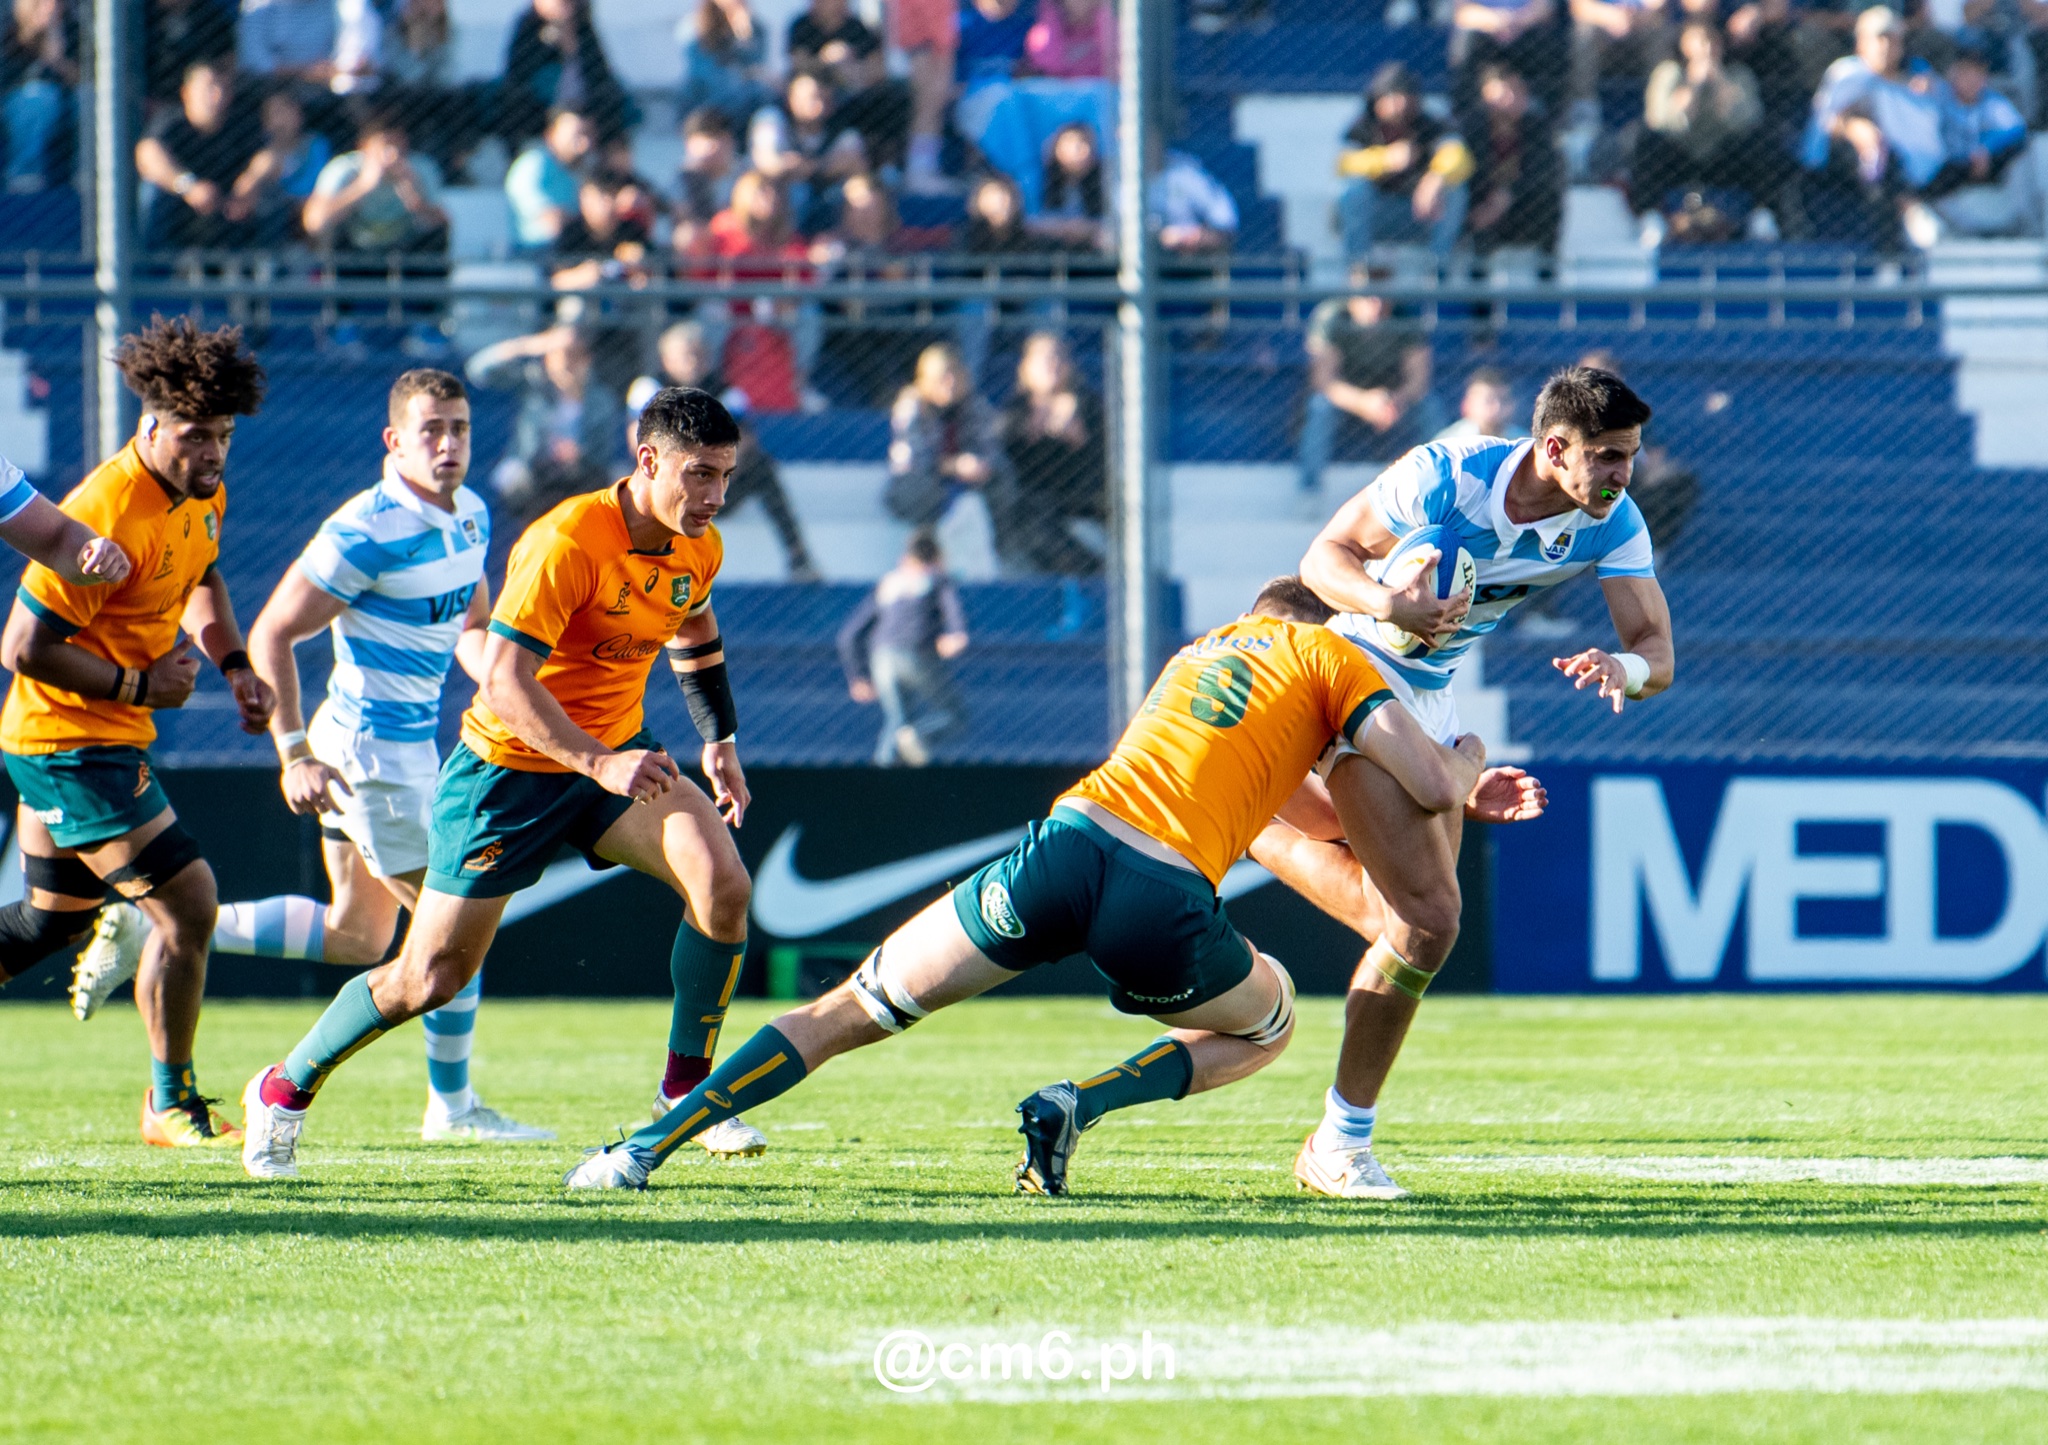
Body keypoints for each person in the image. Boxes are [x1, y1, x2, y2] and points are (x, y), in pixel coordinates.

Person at [563, 576, 1474, 1192]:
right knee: (1270, 1022)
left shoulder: (1199, 653)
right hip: (1159, 900)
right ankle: (1081, 1103)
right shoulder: (1330, 658)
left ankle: (636, 1152)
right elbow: (1425, 787)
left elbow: (1306, 813)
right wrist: (1469, 767)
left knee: (852, 1006)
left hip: (1063, 849)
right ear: (1326, 624)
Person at [240, 387, 768, 1180]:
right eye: (700, 475)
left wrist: (718, 739)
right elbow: (505, 683)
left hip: (617, 757)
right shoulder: (567, 540)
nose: (715, 496)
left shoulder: (701, 544)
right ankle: (282, 1088)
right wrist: (599, 762)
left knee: (723, 883)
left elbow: (695, 628)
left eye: (726, 477)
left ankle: (683, 1094)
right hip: (509, 772)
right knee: (428, 976)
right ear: (648, 458)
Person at [1271, 366, 1674, 1199]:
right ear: (1552, 447)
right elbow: (1323, 558)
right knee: (1431, 918)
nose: (1621, 474)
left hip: (1432, 691)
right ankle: (1340, 1141)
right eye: (1604, 456)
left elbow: (1658, 651)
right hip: (1355, 663)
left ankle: (1263, 819)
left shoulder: (1614, 521)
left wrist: (1621, 666)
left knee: (1403, 927)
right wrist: (1389, 604)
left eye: (1628, 455)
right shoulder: (1447, 475)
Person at [149, 369, 549, 1144]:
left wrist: (507, 679)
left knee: (358, 934)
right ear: (393, 441)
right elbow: (270, 634)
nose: (448, 444)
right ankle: (453, 1108)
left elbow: (470, 621)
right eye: (430, 429)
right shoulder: (363, 529)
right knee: (452, 935)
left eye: (460, 428)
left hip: (401, 749)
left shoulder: (470, 513)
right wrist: (292, 752)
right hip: (372, 760)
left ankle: (162, 926)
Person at [0, 317, 274, 1146]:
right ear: (149, 426)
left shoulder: (201, 491)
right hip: (68, 740)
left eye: (223, 435)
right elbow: (22, 646)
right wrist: (140, 684)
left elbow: (203, 574)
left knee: (51, 921)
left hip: (97, 735)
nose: (213, 453)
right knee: (190, 907)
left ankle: (169, 1098)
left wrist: (232, 663)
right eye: (195, 436)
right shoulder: (107, 509)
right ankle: (172, 1102)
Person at [630, 320, 819, 581]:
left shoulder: (725, 391)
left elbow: (743, 441)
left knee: (760, 466)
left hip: (710, 485)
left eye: (699, 354)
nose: (694, 361)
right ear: (666, 359)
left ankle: (798, 556)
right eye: (686, 354)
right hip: (666, 484)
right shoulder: (649, 388)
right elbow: (637, 438)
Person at [1800, 7, 1946, 247]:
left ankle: (1908, 217)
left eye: (1893, 39)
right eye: (1879, 38)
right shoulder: (1848, 73)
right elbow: (1826, 124)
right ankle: (1909, 210)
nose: (1886, 46)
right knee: (1880, 160)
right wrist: (1856, 128)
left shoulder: (1914, 79)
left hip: (1896, 169)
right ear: (1860, 43)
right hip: (1837, 166)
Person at [1295, 267, 1442, 498]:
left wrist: (1394, 400)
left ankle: (1443, 484)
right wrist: (1364, 403)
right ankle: (1309, 490)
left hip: (1392, 397)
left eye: (1381, 293)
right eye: (1367, 294)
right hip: (1347, 398)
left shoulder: (1405, 316)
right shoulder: (1331, 315)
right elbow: (1323, 381)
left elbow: (1418, 380)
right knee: (1319, 406)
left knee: (1429, 406)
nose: (1375, 302)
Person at [465, 324, 623, 528]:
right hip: (534, 468)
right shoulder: (532, 385)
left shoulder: (601, 400)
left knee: (619, 478)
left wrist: (579, 453)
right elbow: (478, 370)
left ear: (587, 359)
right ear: (547, 359)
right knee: (511, 477)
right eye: (560, 354)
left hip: (583, 471)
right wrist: (529, 345)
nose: (568, 363)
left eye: (575, 354)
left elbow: (604, 453)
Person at [836, 527, 968, 766]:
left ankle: (880, 777)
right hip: (917, 656)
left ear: (905, 559)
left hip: (882, 658)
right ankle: (919, 734)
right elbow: (954, 616)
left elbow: (849, 634)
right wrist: (956, 635)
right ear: (937, 559)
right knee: (954, 716)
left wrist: (857, 676)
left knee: (897, 720)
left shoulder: (890, 584)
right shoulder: (937, 580)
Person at [1338, 62, 1475, 260]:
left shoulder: (1431, 126)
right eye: (1391, 97)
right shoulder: (1363, 128)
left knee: (1455, 191)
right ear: (1377, 99)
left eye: (1405, 96)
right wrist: (1386, 159)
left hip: (1423, 214)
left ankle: (1438, 272)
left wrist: (1436, 177)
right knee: (1354, 191)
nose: (1399, 104)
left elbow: (1460, 156)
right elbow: (1343, 164)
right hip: (1379, 215)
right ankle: (1358, 269)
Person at [999, 330, 1104, 580]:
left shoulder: (1088, 402)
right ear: (1026, 368)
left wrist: (1079, 434)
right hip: (1035, 499)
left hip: (1082, 496)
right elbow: (1008, 451)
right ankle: (1092, 568)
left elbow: (1102, 454)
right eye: (1043, 359)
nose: (1052, 365)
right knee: (1031, 515)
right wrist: (1032, 427)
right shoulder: (1016, 407)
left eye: (1058, 357)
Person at [1635, 20, 1768, 212]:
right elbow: (1658, 121)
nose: (1707, 48)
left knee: (1762, 142)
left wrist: (1719, 82)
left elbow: (1747, 121)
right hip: (1679, 156)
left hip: (1722, 158)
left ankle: (1762, 213)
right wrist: (1693, 85)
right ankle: (1650, 214)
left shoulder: (1739, 75)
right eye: (1699, 41)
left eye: (1712, 41)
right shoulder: (1668, 73)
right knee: (1646, 141)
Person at [135, 58, 264, 250]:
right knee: (151, 192)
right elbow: (147, 153)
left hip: (229, 203)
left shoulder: (240, 121)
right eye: (209, 87)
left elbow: (270, 155)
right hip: (181, 203)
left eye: (222, 87)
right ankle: (153, 271)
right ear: (187, 93)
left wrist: (250, 184)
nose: (216, 95)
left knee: (267, 195)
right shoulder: (170, 120)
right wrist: (187, 186)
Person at [883, 341, 1012, 534]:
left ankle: (998, 544)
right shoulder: (912, 406)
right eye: (942, 377)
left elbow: (990, 449)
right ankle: (930, 545)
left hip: (964, 480)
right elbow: (914, 460)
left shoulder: (974, 405)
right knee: (923, 490)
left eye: (955, 374)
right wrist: (954, 465)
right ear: (925, 379)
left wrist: (979, 465)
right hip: (919, 482)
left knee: (1002, 480)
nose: (950, 382)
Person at [303, 108, 447, 256]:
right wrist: (363, 186)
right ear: (364, 146)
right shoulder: (343, 169)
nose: (393, 154)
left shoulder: (421, 168)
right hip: (354, 251)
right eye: (385, 145)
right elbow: (314, 223)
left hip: (406, 249)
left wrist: (416, 199)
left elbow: (442, 224)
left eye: (398, 144)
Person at [500, 0, 630, 145]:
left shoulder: (583, 30)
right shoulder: (529, 26)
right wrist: (551, 46)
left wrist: (570, 47)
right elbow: (519, 76)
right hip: (542, 118)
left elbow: (601, 75)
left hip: (585, 113)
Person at [1465, 64, 1563, 253]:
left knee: (1550, 198)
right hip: (1482, 206)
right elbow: (1471, 174)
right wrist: (1491, 202)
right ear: (1486, 96)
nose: (1511, 99)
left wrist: (1508, 195)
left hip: (1521, 205)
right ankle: (1477, 272)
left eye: (1517, 91)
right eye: (1504, 93)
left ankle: (1547, 270)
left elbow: (1543, 172)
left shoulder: (1537, 127)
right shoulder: (1472, 128)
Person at [230, 87, 332, 244]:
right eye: (276, 113)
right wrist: (258, 173)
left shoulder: (316, 144)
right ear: (266, 122)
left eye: (288, 110)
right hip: (274, 218)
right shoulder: (262, 154)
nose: (282, 119)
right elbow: (240, 195)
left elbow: (319, 185)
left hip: (310, 210)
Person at [2, 0, 78, 193]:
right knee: (39, 97)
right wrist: (31, 36)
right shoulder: (8, 29)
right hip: (13, 102)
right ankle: (24, 175)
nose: (51, 7)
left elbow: (83, 80)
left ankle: (88, 174)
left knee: (87, 99)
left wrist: (57, 58)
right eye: (41, 2)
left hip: (64, 101)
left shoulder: (72, 28)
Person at [505, 107, 593, 254]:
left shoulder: (583, 169)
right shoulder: (533, 164)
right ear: (551, 134)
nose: (584, 144)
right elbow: (552, 223)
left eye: (587, 135)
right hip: (536, 252)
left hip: (573, 247)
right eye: (576, 135)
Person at [679, 0, 767, 130]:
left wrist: (744, 35)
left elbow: (756, 66)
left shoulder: (756, 28)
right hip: (706, 97)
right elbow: (702, 69)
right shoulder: (692, 26)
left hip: (740, 99)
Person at [144, 0, 235, 114]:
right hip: (150, 100)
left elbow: (228, 64)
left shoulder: (209, 17)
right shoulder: (140, 15)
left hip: (193, 108)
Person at [1149, 144, 1240, 255]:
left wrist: (1194, 237)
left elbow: (1225, 224)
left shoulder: (1184, 171)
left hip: (1181, 265)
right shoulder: (1122, 175)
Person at [1034, 120, 1111, 252]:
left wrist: (1085, 229)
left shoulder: (1103, 180)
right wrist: (1065, 227)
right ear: (1057, 148)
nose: (1086, 151)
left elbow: (1108, 222)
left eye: (1089, 144)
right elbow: (1033, 222)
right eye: (1077, 144)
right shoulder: (1041, 178)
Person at [236, 0, 339, 86]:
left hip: (326, 83)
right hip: (271, 86)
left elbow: (346, 52)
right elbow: (255, 61)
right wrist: (304, 71)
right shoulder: (258, 4)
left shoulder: (335, 4)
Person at [676, 105, 740, 226]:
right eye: (707, 138)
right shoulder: (680, 183)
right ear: (688, 144)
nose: (714, 146)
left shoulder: (744, 177)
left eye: (719, 137)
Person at [1432, 366, 1526, 441]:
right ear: (1467, 406)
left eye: (1504, 400)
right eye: (1488, 401)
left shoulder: (1523, 444)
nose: (1497, 408)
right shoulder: (1448, 444)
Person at [1024, 0, 1114, 78]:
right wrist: (1052, 16)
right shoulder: (1041, 33)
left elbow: (1113, 59)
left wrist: (1103, 15)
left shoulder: (1109, 29)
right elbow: (1051, 64)